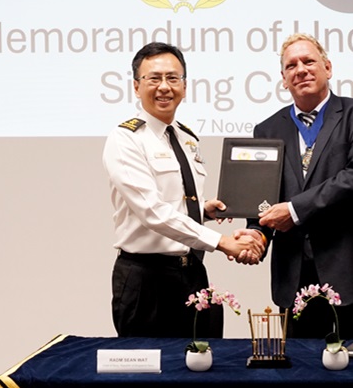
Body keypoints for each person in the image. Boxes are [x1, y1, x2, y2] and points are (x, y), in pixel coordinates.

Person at [237, 33, 353, 339]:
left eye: (309, 61)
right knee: (302, 377)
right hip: (294, 276)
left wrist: (296, 210)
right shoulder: (267, 129)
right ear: (283, 79)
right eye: (291, 65)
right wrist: (257, 232)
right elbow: (263, 198)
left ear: (328, 67)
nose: (301, 69)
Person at [103, 42, 264, 337]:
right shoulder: (125, 139)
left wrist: (202, 210)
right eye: (154, 78)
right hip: (145, 280)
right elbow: (152, 211)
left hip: (191, 273)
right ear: (136, 87)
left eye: (172, 78)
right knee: (148, 375)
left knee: (202, 367)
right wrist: (221, 242)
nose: (164, 87)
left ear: (185, 86)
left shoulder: (187, 138)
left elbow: (173, 201)